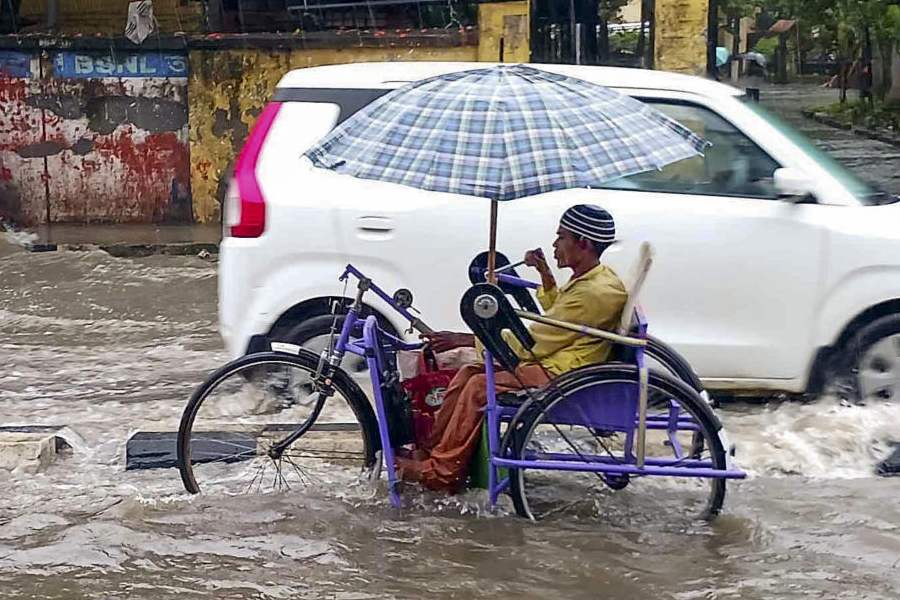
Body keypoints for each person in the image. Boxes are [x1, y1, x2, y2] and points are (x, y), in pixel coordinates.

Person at [395, 204, 628, 491]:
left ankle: (443, 471)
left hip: (563, 371)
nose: (555, 244)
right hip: (559, 357)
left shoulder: (593, 292)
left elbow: (532, 346)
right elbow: (561, 315)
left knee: (479, 386)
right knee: (469, 372)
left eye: (561, 237)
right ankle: (433, 450)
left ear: (584, 242)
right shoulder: (594, 278)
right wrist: (545, 273)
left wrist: (469, 339)